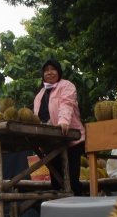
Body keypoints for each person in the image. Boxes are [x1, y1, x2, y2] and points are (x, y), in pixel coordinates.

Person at [33, 59, 86, 195]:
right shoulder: (39, 95)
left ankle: (82, 206)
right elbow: (36, 116)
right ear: (43, 74)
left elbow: (66, 104)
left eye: (53, 69)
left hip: (70, 140)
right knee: (56, 184)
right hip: (51, 144)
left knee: (72, 181)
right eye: (46, 70)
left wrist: (63, 121)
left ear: (59, 72)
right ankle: (62, 211)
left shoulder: (66, 86)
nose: (49, 72)